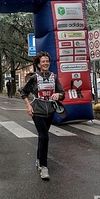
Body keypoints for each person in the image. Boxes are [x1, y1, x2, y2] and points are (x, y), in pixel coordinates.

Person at [20, 51, 65, 180]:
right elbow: (23, 92)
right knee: (45, 136)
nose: (45, 63)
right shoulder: (34, 78)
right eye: (43, 61)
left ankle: (39, 160)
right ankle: (44, 167)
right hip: (37, 111)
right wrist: (28, 106)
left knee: (42, 136)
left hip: (50, 111)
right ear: (39, 64)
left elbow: (62, 93)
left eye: (47, 61)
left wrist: (58, 95)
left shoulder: (54, 77)